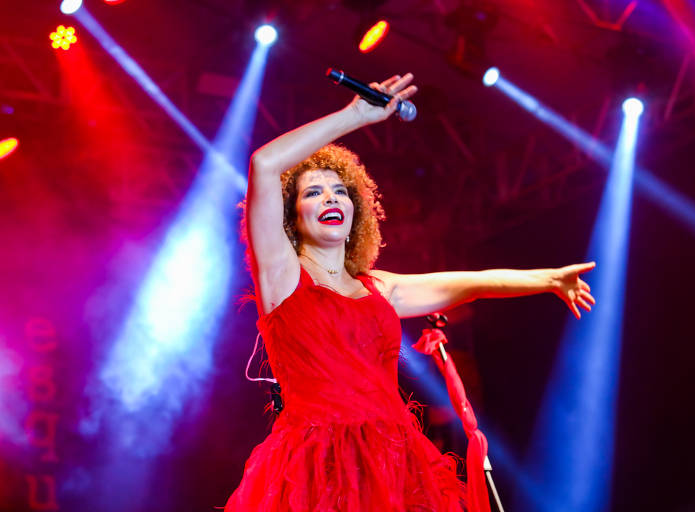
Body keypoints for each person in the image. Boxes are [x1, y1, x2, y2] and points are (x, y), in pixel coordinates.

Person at [226, 73, 596, 511]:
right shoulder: (282, 276)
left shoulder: (378, 288)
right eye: (314, 193)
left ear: (356, 210)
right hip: (316, 467)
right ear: (291, 217)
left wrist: (548, 279)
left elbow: (471, 283)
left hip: (396, 465)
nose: (331, 198)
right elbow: (265, 164)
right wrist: (355, 117)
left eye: (340, 191)